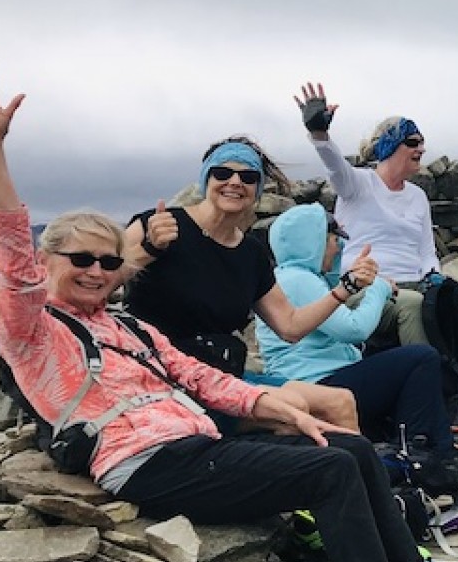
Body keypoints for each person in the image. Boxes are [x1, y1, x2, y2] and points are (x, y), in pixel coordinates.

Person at [0, 65, 438, 562]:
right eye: (81, 259)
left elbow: (207, 380)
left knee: (352, 447)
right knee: (333, 469)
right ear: (46, 263)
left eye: (107, 262)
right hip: (143, 460)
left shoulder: (131, 329)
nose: (97, 271)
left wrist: (287, 413)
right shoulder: (35, 330)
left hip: (197, 441)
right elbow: (9, 254)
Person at [118, 134, 360, 433]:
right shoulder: (159, 225)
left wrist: (344, 289)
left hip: (224, 374)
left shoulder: (251, 253)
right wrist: (150, 249)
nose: (235, 182)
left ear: (257, 189)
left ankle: (372, 478)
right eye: (222, 173)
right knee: (293, 410)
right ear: (206, 179)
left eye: (248, 176)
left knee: (340, 402)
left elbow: (290, 326)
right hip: (162, 374)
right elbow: (102, 280)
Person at [295, 84, 458, 420]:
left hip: (417, 280)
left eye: (422, 142)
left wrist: (433, 274)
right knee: (414, 307)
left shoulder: (417, 196)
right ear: (391, 146)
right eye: (412, 142)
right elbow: (334, 166)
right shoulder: (358, 185)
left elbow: (425, 249)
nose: (421, 148)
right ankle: (434, 403)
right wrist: (319, 133)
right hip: (366, 286)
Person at [256, 204, 458, 492]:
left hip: (312, 379)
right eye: (332, 238)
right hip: (318, 384)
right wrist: (378, 289)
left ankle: (417, 451)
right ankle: (433, 458)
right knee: (420, 360)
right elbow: (354, 329)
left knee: (396, 366)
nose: (338, 245)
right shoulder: (299, 280)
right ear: (312, 241)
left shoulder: (290, 277)